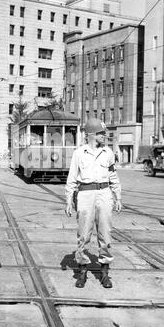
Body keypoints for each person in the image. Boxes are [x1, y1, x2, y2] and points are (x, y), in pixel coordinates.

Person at [65, 118, 122, 289]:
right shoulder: (79, 153)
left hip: (104, 194)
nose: (104, 136)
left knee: (105, 233)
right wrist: (68, 200)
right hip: (85, 194)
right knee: (83, 234)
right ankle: (82, 272)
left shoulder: (108, 153)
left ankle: (104, 273)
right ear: (91, 135)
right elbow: (72, 178)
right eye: (101, 133)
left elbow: (113, 175)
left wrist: (118, 197)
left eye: (104, 133)